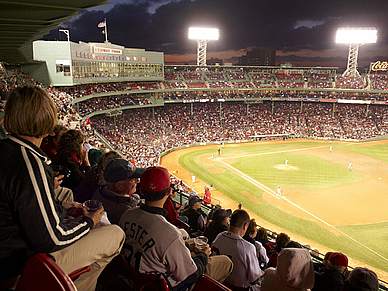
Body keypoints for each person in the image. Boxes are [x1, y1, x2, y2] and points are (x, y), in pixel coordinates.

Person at [0, 85, 125, 291]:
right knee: (115, 234)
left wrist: (60, 207)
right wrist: (88, 222)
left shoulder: (7, 149)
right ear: (47, 122)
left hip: (9, 255)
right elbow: (52, 239)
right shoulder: (29, 163)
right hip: (21, 268)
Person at [118, 166, 232, 289]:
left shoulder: (127, 215)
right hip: (169, 285)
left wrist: (187, 247)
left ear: (141, 191)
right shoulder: (169, 232)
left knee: (192, 242)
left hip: (137, 278)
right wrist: (203, 256)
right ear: (168, 193)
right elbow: (191, 275)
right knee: (226, 262)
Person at [212, 209, 262, 290]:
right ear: (244, 226)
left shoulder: (219, 237)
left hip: (217, 284)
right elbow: (254, 280)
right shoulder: (248, 247)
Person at [91, 158, 144, 224]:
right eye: (133, 179)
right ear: (119, 186)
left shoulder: (100, 191)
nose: (137, 181)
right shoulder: (125, 209)